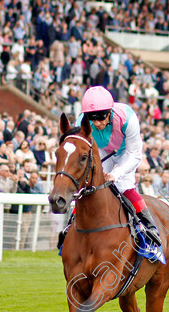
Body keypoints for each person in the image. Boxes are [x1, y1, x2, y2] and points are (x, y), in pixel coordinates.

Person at [58, 86, 161, 248]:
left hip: (126, 152)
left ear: (110, 111)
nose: (97, 123)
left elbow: (135, 154)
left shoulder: (127, 118)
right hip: (101, 151)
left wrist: (117, 173)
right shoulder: (81, 122)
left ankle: (149, 226)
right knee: (90, 186)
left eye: (101, 117)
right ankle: (71, 224)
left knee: (123, 184)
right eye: (93, 118)